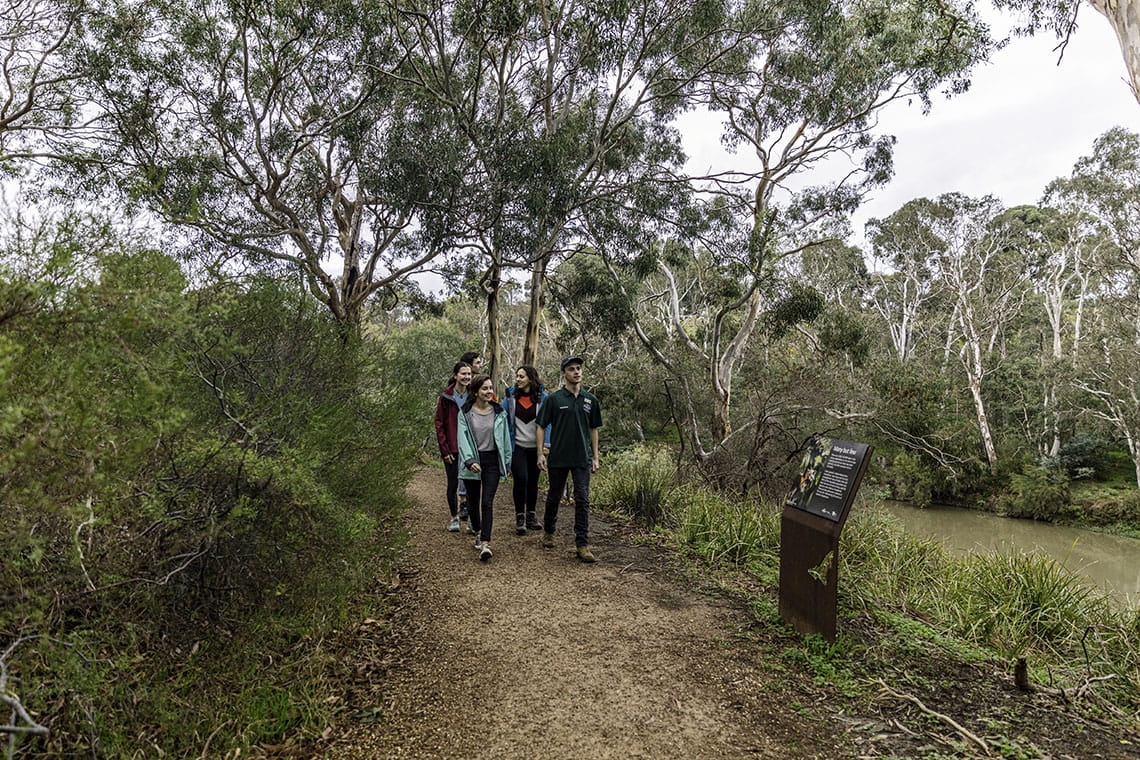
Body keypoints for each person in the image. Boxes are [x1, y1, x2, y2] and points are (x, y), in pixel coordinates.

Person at [537, 356, 602, 563]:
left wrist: (595, 457)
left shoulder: (590, 400)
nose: (577, 372)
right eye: (572, 369)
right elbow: (540, 426)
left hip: (582, 457)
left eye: (579, 368)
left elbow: (593, 429)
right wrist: (540, 453)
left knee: (582, 499)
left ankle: (582, 544)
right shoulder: (554, 399)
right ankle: (549, 531)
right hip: (558, 456)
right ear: (564, 373)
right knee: (554, 496)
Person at [457, 374, 512, 561]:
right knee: (473, 501)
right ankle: (478, 530)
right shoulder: (465, 413)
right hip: (472, 460)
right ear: (475, 392)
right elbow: (462, 439)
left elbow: (505, 439)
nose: (489, 392)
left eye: (490, 388)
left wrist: (506, 462)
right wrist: (470, 460)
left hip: (492, 462)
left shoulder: (499, 413)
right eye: (485, 389)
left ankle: (486, 543)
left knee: (487, 501)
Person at [503, 365, 549, 534]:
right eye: (517, 376)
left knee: (533, 482)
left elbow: (548, 422)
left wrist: (546, 445)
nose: (518, 379)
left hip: (536, 448)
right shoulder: (510, 397)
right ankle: (520, 517)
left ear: (530, 378)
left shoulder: (543, 398)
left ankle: (531, 515)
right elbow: (503, 417)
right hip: (518, 447)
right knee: (520, 479)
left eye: (521, 376)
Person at [434, 361, 473, 532]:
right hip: (453, 448)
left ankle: (473, 520)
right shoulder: (446, 397)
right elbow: (439, 424)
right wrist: (444, 450)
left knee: (472, 485)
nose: (466, 377)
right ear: (455, 376)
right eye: (463, 374)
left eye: (469, 374)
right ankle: (454, 517)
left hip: (471, 448)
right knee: (453, 484)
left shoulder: (474, 395)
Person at [455, 351, 484, 527]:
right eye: (478, 362)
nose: (480, 365)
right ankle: (463, 503)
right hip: (460, 435)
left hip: (480, 436)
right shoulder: (457, 388)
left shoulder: (480, 385)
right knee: (463, 467)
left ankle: (473, 510)